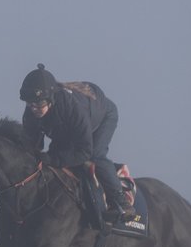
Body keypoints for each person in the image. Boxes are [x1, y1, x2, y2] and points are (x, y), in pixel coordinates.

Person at [20, 63, 135, 223]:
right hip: (69, 130)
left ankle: (121, 201)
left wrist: (53, 159)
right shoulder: (33, 110)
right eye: (30, 104)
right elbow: (32, 145)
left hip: (101, 119)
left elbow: (84, 151)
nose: (34, 109)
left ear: (51, 99)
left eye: (39, 104)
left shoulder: (72, 108)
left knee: (95, 155)